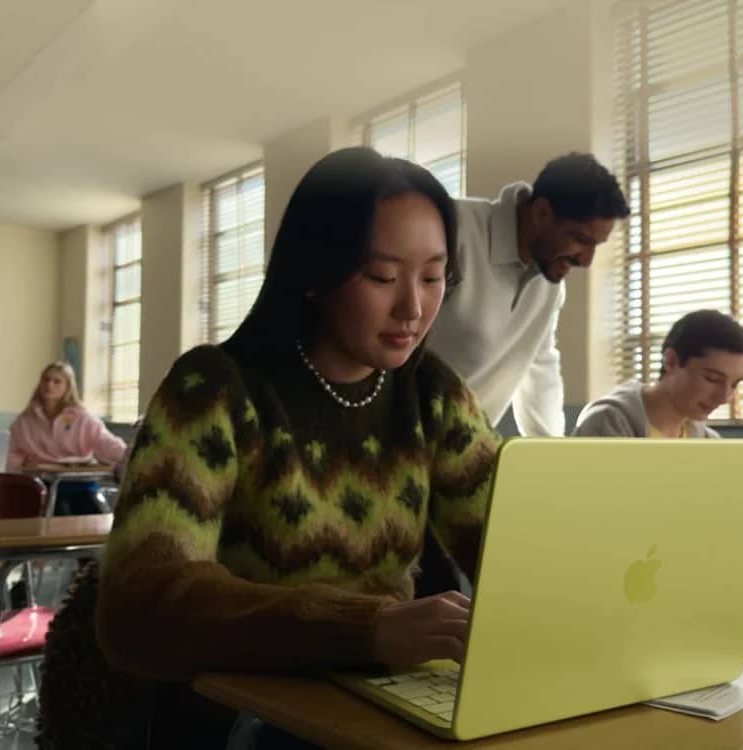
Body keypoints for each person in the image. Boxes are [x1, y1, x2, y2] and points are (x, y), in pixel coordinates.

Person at [37, 147, 501, 749]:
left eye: (435, 277)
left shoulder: (432, 393)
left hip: (379, 700)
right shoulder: (213, 391)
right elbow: (140, 606)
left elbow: (508, 542)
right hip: (234, 713)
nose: (413, 307)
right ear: (315, 271)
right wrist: (366, 629)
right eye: (383, 277)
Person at [573, 311, 743, 588]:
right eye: (712, 378)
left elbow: (726, 506)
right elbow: (606, 523)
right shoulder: (609, 422)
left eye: (734, 384)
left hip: (682, 569)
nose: (724, 397)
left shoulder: (707, 441)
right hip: (625, 577)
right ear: (671, 361)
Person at [427, 152, 630, 437]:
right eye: (581, 240)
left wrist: (553, 456)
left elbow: (540, 369)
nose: (586, 261)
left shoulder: (549, 285)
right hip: (390, 442)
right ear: (542, 213)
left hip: (460, 452)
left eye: (596, 245)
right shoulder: (453, 228)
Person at [8, 361, 126, 514]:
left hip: (80, 483)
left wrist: (130, 455)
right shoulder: (24, 421)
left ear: (68, 387)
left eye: (57, 381)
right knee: (58, 514)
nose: (50, 385)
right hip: (41, 485)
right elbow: (11, 454)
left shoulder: (83, 418)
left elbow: (106, 443)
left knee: (100, 516)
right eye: (46, 379)